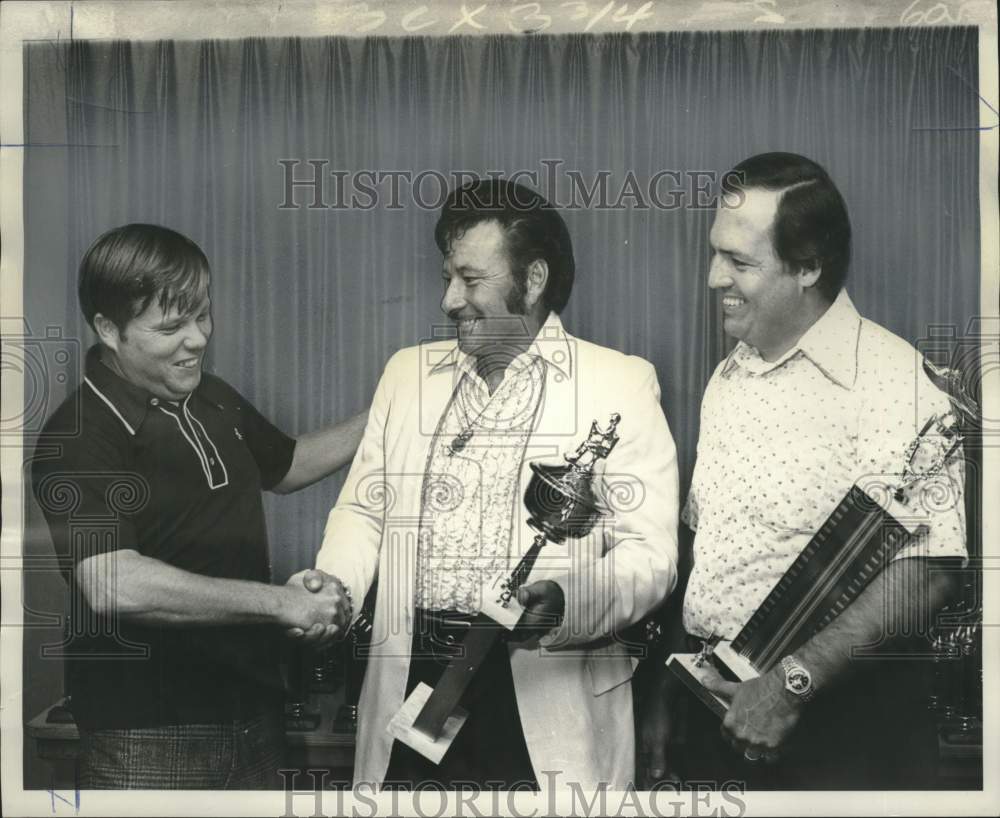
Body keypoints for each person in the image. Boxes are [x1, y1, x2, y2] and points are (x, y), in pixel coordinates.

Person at [309, 178, 680, 790]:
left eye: (471, 279)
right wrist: (335, 588)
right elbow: (364, 513)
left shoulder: (620, 383)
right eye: (447, 277)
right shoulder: (407, 375)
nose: (449, 299)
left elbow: (652, 555)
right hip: (412, 680)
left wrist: (567, 601)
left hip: (543, 691)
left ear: (532, 281)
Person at [30, 223, 366, 789]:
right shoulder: (80, 435)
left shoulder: (210, 395)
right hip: (146, 737)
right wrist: (281, 604)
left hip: (252, 714)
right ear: (108, 330)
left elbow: (287, 465)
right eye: (170, 326)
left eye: (202, 315)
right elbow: (113, 581)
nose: (197, 339)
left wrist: (391, 408)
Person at [669, 152, 967, 789]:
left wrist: (788, 687)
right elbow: (709, 550)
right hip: (717, 713)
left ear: (808, 266)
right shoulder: (729, 377)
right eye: (716, 253)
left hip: (839, 730)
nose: (713, 278)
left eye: (740, 262)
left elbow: (929, 574)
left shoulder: (895, 382)